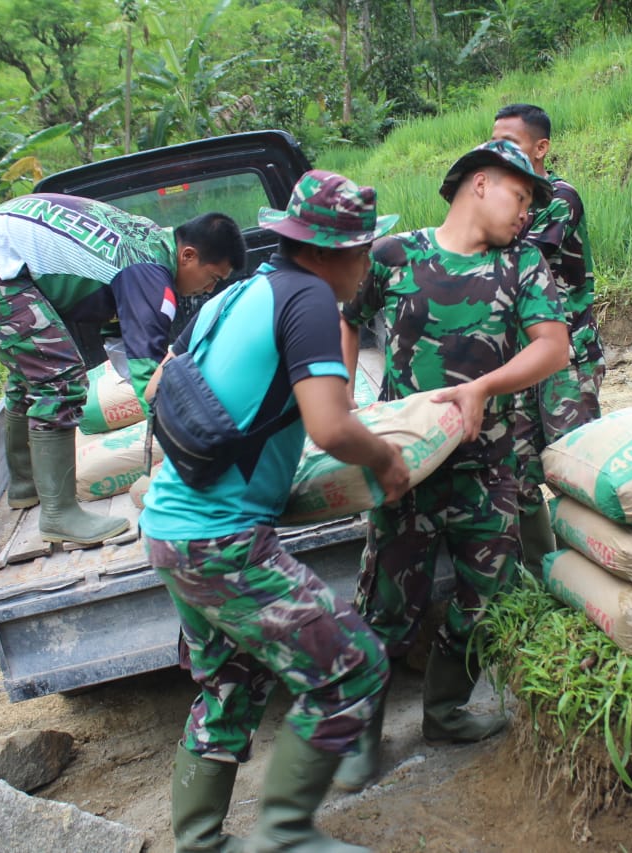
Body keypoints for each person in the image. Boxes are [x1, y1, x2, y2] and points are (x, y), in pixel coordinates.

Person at [138, 170, 411, 853]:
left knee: (230, 681)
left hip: (171, 529)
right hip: (221, 541)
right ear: (330, 250)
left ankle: (200, 841)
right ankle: (285, 835)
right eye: (364, 250)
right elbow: (329, 425)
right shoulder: (310, 300)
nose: (368, 264)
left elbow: (158, 387)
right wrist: (385, 460)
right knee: (353, 665)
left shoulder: (239, 294)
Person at [334, 140, 570, 791]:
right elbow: (349, 321)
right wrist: (345, 400)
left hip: (486, 464)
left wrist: (482, 388)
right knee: (385, 605)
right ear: (481, 184)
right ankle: (359, 736)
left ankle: (443, 710)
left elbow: (554, 348)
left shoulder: (522, 265)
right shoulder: (396, 256)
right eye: (521, 197)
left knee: (486, 600)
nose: (526, 213)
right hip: (401, 468)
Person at [0, 194, 246, 547]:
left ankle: (26, 485)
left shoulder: (148, 244)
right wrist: (195, 455)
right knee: (58, 377)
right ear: (188, 255)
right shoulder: (148, 272)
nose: (209, 290)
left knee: (33, 371)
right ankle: (59, 515)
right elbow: (150, 373)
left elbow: (124, 350)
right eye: (211, 278)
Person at [492, 103, 606, 574]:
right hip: (520, 361)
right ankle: (545, 573)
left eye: (511, 145)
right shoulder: (498, 206)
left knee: (574, 466)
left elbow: (522, 257)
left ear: (541, 148)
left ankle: (595, 567)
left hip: (568, 358)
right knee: (516, 471)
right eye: (493, 144)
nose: (498, 154)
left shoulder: (559, 197)